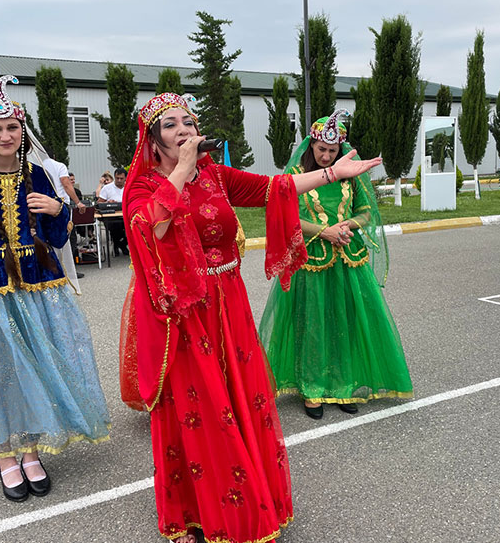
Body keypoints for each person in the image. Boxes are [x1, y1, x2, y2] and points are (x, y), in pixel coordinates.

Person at [119, 93, 381, 543]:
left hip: (228, 304)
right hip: (184, 316)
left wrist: (333, 174)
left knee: (236, 401)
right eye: (170, 125)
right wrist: (182, 168)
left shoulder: (216, 176)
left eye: (188, 121)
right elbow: (152, 224)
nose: (183, 130)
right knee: (199, 408)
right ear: (152, 140)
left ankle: (244, 501)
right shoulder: (142, 186)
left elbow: (274, 188)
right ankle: (192, 512)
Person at [0, 75, 111, 502]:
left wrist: (59, 209)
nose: (5, 136)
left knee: (39, 365)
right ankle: (5, 455)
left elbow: (55, 238)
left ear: (22, 131)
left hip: (39, 284)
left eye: (12, 128)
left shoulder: (37, 174)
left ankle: (32, 450)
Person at [259, 111, 413, 420]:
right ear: (311, 146)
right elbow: (286, 215)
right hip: (311, 261)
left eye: (332, 150)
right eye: (322, 149)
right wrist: (324, 231)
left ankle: (343, 386)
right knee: (313, 324)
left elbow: (366, 213)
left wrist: (346, 226)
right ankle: (312, 388)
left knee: (345, 323)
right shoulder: (296, 176)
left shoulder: (350, 176)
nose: (327, 156)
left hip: (347, 257)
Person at [41, 156, 85, 286]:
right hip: (59, 204)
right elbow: (66, 183)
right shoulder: (58, 165)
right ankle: (68, 269)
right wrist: (77, 202)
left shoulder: (33, 164)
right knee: (67, 238)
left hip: (42, 203)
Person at [97, 167, 127, 255]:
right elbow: (99, 203)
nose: (119, 180)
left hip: (126, 214)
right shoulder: (107, 188)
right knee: (115, 226)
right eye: (117, 178)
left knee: (135, 227)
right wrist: (107, 202)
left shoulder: (130, 187)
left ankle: (120, 244)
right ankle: (119, 245)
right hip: (111, 215)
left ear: (125, 178)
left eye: (121, 178)